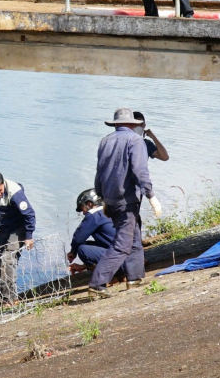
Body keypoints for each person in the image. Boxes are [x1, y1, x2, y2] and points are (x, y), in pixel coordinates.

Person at [88, 108, 153, 299]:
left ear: (116, 124)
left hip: (110, 199)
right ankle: (97, 284)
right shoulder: (136, 140)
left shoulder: (104, 141)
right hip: (127, 200)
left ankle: (135, 278)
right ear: (133, 124)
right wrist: (151, 194)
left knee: (133, 237)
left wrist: (101, 196)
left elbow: (99, 172)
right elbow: (140, 170)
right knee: (123, 244)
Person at [0, 170, 36, 306]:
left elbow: (29, 215)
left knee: (8, 260)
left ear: (3, 184)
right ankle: (1, 298)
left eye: (0, 190)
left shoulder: (15, 192)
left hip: (19, 228)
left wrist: (29, 236)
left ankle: (11, 299)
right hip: (4, 228)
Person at [67, 189, 117, 275]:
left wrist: (73, 251)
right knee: (87, 244)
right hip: (131, 258)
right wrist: (84, 266)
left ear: (89, 204)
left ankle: (107, 277)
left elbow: (78, 238)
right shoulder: (111, 210)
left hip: (119, 258)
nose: (83, 213)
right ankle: (119, 274)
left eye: (82, 209)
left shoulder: (94, 214)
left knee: (82, 249)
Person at [133, 110, 168, 217]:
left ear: (144, 125)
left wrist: (153, 136)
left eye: (141, 123)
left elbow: (164, 157)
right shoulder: (123, 142)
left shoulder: (146, 144)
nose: (139, 126)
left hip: (137, 190)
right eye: (136, 123)